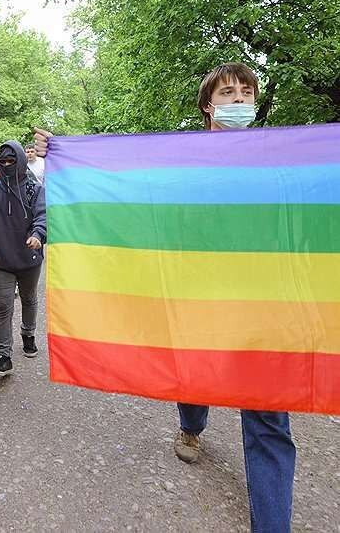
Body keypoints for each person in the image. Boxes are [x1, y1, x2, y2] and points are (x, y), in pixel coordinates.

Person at [32, 62, 295, 533]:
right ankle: (192, 423)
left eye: (247, 93)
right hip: (198, 298)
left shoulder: (278, 158)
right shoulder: (181, 158)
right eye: (228, 93)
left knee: (269, 420)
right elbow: (129, 188)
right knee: (194, 374)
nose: (239, 101)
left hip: (260, 308)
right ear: (208, 106)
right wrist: (61, 154)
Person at [0, 141, 46, 377]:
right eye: (3, 161)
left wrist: (38, 235)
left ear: (21, 162)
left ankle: (28, 334)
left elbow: (42, 217)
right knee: (3, 305)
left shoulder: (34, 190)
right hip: (2, 261)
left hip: (29, 258)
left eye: (11, 161)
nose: (7, 165)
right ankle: (3, 355)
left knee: (28, 299)